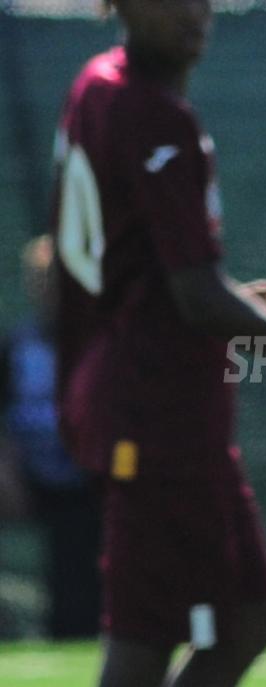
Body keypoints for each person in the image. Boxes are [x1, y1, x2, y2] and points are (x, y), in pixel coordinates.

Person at [52, 0, 266, 685]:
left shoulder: (99, 84)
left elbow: (146, 273)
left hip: (166, 409)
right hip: (151, 413)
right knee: (145, 638)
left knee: (246, 618)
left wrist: (235, 300)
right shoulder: (146, 110)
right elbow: (194, 294)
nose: (192, 11)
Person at [0, 235, 100, 639]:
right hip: (27, 478)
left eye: (57, 280)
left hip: (87, 479)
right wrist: (7, 475)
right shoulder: (15, 347)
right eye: (41, 280)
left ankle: (82, 628)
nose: (49, 290)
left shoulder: (98, 343)